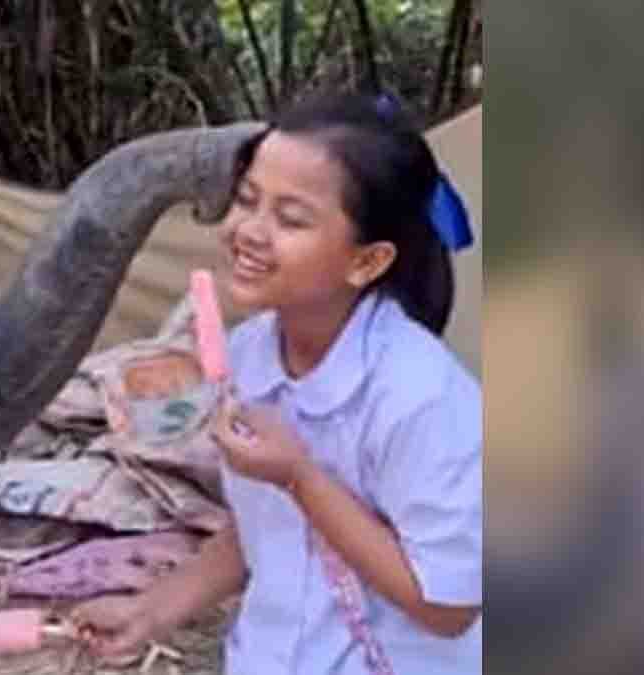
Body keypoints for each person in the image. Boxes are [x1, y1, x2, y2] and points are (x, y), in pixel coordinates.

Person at [69, 90, 483, 674]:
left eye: (290, 219)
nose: (249, 232)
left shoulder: (423, 397)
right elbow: (263, 528)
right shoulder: (250, 354)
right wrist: (153, 611)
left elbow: (449, 606)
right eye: (247, 200)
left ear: (366, 262)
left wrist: (300, 477)